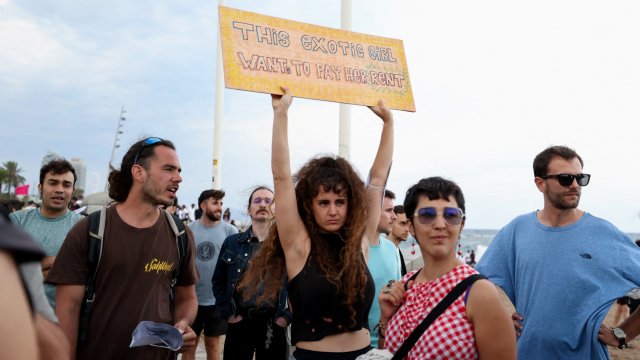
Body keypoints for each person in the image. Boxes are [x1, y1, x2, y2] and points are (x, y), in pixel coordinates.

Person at [237, 87, 393, 360]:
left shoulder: (360, 242)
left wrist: (389, 124)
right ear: (309, 205)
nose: (333, 210)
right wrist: (280, 113)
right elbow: (282, 178)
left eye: (340, 202)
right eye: (324, 202)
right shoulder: (299, 245)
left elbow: (378, 179)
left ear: (350, 205)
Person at [476, 145, 640, 359]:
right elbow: (475, 285)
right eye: (565, 178)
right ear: (540, 183)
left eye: (580, 179)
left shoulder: (604, 234)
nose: (574, 185)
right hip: (527, 353)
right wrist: (499, 318)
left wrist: (622, 334)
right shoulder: (517, 231)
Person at [47, 137, 199, 360]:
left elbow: (187, 297)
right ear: (138, 173)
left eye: (178, 170)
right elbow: (67, 309)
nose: (178, 178)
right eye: (168, 169)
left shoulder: (181, 234)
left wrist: (183, 324)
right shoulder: (90, 231)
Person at [378, 177, 516, 359]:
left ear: (462, 224)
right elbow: (386, 353)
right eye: (427, 215)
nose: (441, 224)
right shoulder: (406, 284)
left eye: (451, 215)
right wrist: (386, 320)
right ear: (411, 226)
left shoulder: (478, 293)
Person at [213, 186, 291, 359]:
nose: (262, 204)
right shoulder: (232, 243)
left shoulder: (286, 246)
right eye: (257, 201)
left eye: (268, 201)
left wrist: (285, 318)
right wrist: (230, 315)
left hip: (273, 323)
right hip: (240, 321)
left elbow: (300, 286)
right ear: (249, 209)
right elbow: (218, 282)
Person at [10, 159, 81, 307]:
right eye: (53, 183)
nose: (60, 189)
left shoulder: (83, 226)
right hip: (19, 314)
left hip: (64, 321)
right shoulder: (16, 221)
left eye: (66, 185)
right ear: (40, 188)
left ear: (72, 191)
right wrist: (63, 265)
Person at [182, 189, 238, 360]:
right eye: (215, 203)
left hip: (217, 300)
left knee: (213, 345)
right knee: (188, 345)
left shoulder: (230, 231)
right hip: (191, 299)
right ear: (203, 205)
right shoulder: (188, 230)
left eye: (221, 203)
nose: (219, 207)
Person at [367, 189, 401, 348]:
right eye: (388, 210)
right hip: (356, 347)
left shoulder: (391, 248)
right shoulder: (350, 253)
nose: (394, 216)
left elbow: (398, 295)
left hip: (388, 343)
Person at [387, 204, 410, 276]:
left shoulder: (397, 250)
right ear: (391, 223)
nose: (407, 229)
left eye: (409, 225)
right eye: (402, 223)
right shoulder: (385, 252)